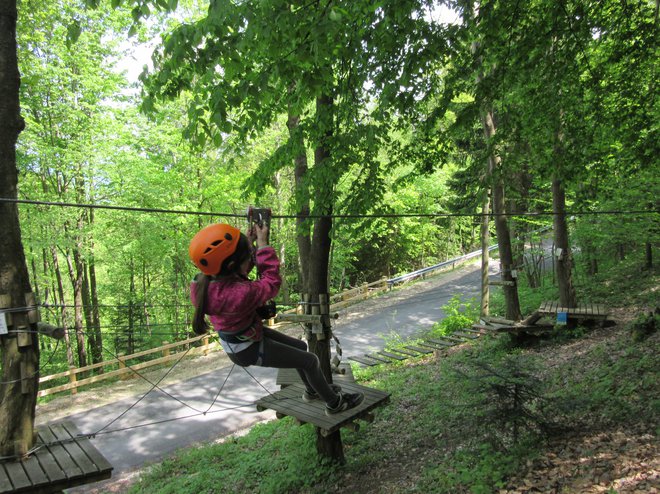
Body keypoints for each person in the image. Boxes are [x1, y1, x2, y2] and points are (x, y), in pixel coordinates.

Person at [189, 222, 364, 415]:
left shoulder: (204, 282)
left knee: (301, 348)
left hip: (247, 335)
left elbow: (235, 275)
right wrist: (262, 245)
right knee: (311, 361)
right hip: (247, 348)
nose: (250, 259)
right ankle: (335, 404)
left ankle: (313, 390)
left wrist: (247, 243)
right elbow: (271, 283)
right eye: (247, 257)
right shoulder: (240, 294)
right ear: (232, 265)